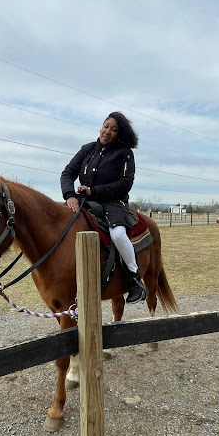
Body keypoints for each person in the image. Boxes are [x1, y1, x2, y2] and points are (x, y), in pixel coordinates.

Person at [60, 111, 148, 303]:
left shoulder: (125, 154)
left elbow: (125, 183)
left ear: (119, 134)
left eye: (113, 129)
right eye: (106, 126)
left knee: (117, 234)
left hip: (113, 202)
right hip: (83, 200)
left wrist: (94, 191)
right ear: (101, 127)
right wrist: (69, 196)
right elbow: (67, 173)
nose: (107, 131)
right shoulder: (87, 149)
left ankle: (134, 278)